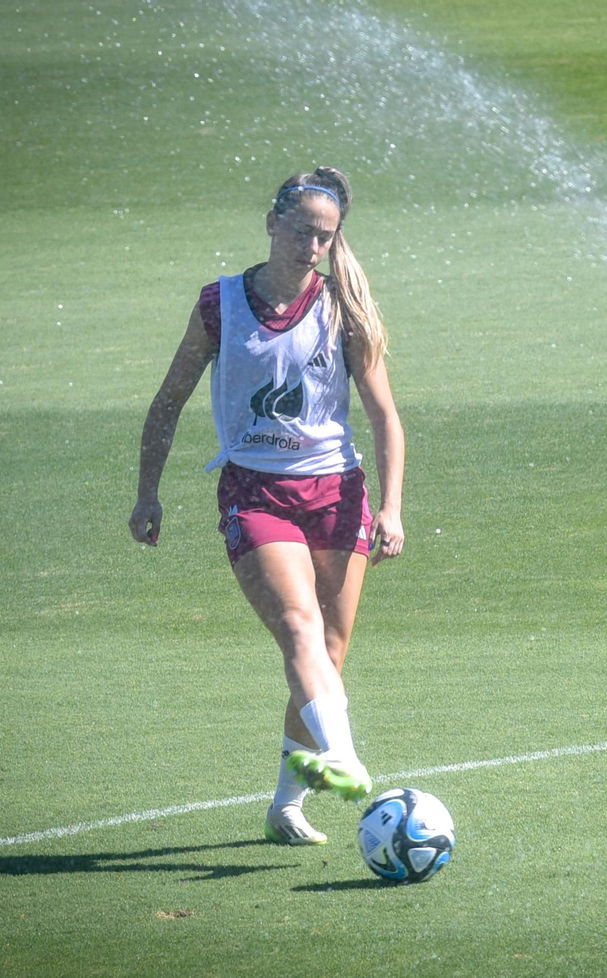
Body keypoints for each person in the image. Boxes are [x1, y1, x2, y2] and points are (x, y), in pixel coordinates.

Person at [129, 167, 405, 846]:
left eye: (325, 236)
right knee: (297, 626)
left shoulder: (345, 307)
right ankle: (341, 756)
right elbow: (169, 402)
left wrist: (391, 507)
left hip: (338, 494)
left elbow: (386, 419)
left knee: (327, 657)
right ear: (272, 224)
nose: (311, 246)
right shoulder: (221, 304)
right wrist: (147, 491)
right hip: (257, 493)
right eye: (302, 231)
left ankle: (286, 805)